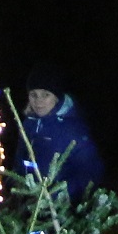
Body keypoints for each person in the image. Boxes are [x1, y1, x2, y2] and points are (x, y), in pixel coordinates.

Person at [16, 66, 104, 200]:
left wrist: (59, 194)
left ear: (56, 97)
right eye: (34, 95)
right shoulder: (29, 124)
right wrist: (16, 183)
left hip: (60, 210)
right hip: (29, 204)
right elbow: (20, 160)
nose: (38, 101)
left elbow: (91, 172)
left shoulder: (72, 129)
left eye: (45, 95)